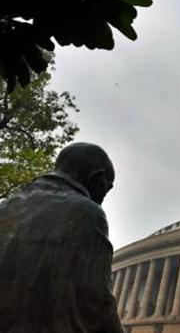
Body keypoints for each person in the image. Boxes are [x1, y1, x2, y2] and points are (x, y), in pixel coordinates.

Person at [0, 142, 123, 333]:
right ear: (96, 178)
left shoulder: (5, 207)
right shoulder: (87, 213)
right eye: (106, 189)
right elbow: (95, 300)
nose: (103, 198)